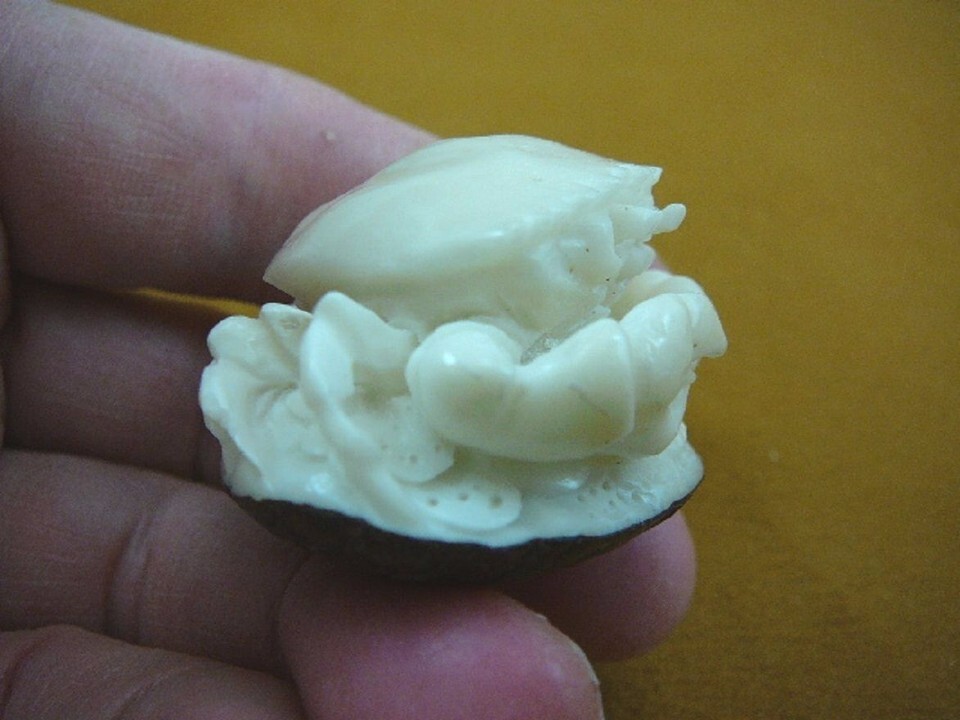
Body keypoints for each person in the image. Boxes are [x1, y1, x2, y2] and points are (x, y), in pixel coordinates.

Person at [0, 1, 697, 717]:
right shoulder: (457, 346)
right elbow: (481, 392)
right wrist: (623, 365)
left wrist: (652, 328)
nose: (611, 268)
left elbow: (659, 303)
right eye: (581, 251)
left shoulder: (604, 290)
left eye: (616, 244)